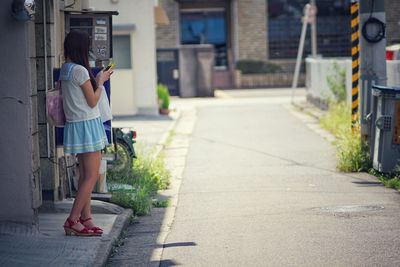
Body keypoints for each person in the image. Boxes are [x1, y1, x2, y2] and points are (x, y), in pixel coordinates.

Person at [61, 30, 113, 236]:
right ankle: (72, 220)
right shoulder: (80, 71)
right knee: (91, 175)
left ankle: (86, 218)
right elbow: (93, 101)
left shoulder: (66, 69)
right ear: (81, 48)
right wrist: (101, 82)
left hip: (76, 125)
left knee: (85, 175)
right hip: (87, 125)